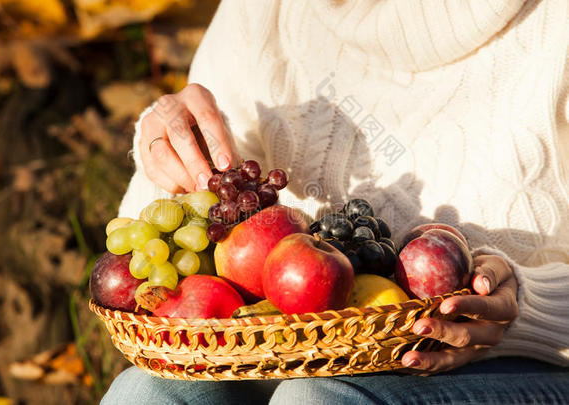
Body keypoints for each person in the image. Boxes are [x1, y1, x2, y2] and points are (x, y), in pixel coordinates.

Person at [102, 1, 569, 403]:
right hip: (291, 350)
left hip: (521, 365)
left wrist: (528, 310)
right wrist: (167, 152)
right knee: (143, 394)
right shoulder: (264, 11)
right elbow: (158, 245)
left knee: (321, 398)